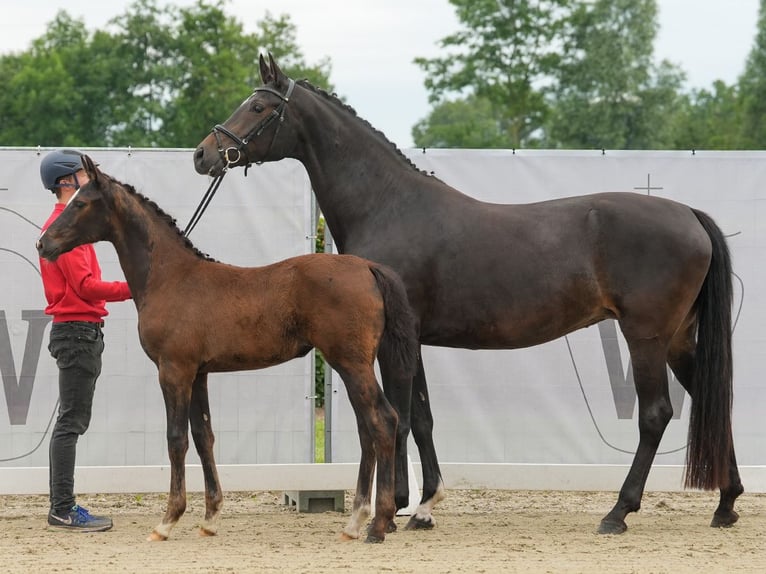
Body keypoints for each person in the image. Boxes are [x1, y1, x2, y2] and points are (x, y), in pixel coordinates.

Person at [38, 149, 132, 532]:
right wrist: (138, 287)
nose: (88, 179)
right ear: (66, 182)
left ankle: (63, 506)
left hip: (78, 330)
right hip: (77, 330)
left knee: (71, 422)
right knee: (71, 423)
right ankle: (62, 509)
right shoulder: (66, 229)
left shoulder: (68, 225)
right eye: (81, 174)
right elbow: (86, 287)